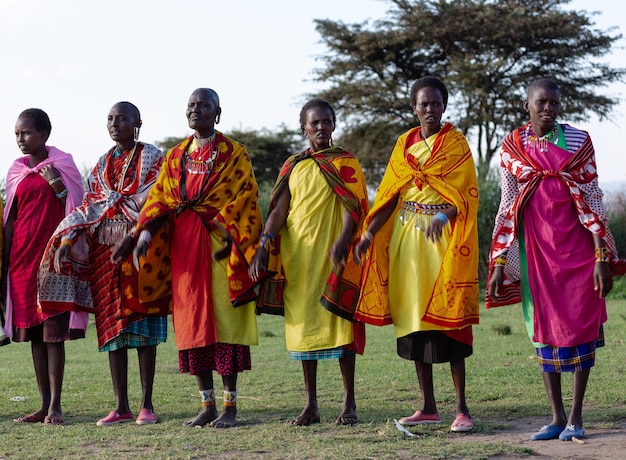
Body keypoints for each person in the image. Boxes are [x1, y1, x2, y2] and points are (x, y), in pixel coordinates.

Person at [487, 78, 625, 441]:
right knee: (542, 330)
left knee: (581, 327)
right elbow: (507, 204)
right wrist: (500, 261)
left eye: (554, 103)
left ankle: (577, 417)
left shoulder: (579, 141)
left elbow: (593, 196)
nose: (548, 108)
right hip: (536, 254)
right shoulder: (512, 148)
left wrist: (600, 257)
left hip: (579, 252)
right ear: (526, 105)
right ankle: (555, 417)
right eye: (541, 102)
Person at [353, 76, 480, 432]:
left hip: (443, 243)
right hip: (407, 241)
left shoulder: (456, 145)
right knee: (412, 322)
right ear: (414, 108)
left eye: (435, 103)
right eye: (423, 104)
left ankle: (462, 409)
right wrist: (369, 234)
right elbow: (390, 194)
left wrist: (443, 215)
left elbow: (467, 198)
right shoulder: (403, 144)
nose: (429, 109)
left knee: (450, 323)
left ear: (444, 106)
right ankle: (427, 406)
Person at [132, 88, 261, 429]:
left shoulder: (234, 153)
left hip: (222, 247)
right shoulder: (175, 156)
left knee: (225, 325)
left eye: (203, 105)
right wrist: (144, 234)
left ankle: (230, 407)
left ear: (217, 113)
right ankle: (206, 405)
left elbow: (247, 196)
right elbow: (159, 201)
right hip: (185, 249)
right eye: (191, 105)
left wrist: (222, 225)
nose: (195, 110)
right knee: (192, 327)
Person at [39, 102, 167, 426]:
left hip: (140, 251)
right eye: (110, 118)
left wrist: (136, 233)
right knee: (112, 332)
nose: (114, 124)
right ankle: (121, 405)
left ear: (138, 122)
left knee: (142, 330)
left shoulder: (152, 157)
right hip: (104, 255)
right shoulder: (101, 164)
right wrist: (67, 239)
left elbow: (158, 202)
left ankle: (147, 405)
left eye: (121, 118)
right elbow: (89, 205)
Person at [250, 98, 368, 426]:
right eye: (314, 122)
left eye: (326, 121)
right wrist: (264, 244)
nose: (321, 127)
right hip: (299, 259)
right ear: (304, 128)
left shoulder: (346, 163)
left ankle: (349, 403)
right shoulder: (293, 166)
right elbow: (278, 211)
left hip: (334, 257)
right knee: (304, 331)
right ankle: (311, 404)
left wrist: (344, 240)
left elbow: (354, 207)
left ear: (334, 124)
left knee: (340, 325)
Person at [3, 108, 88, 426]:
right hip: (22, 264)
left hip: (54, 261)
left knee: (54, 335)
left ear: (44, 135)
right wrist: (4, 266)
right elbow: (10, 219)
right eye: (16, 134)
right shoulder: (15, 171)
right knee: (36, 338)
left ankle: (56, 406)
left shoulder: (62, 165)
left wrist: (57, 185)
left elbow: (76, 207)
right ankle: (41, 405)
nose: (20, 139)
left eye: (26, 133)